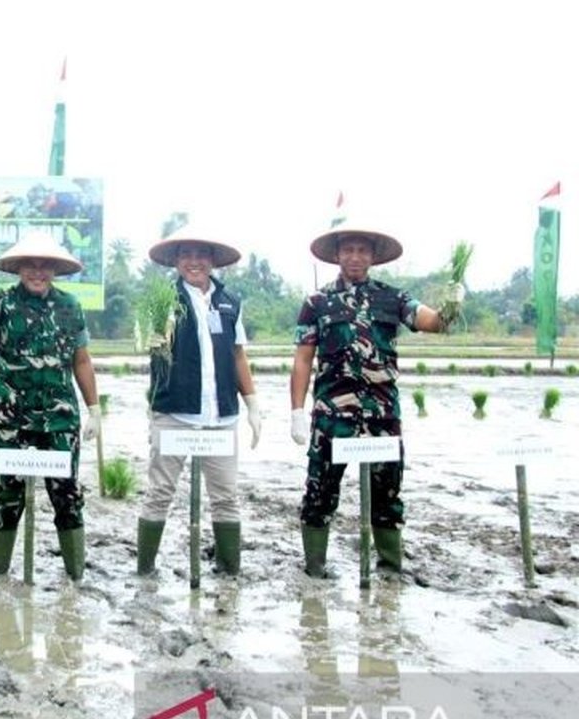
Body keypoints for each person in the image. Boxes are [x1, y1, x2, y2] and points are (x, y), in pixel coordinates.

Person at [290, 224, 463, 578]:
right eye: (348, 250)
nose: (355, 256)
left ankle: (390, 568)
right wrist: (296, 410)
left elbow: (433, 323)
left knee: (387, 495)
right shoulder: (316, 303)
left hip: (382, 415)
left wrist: (451, 305)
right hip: (332, 415)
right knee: (319, 492)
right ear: (337, 255)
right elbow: (303, 358)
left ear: (372, 257)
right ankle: (314, 567)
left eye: (362, 250)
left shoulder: (393, 299)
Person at [0, 230, 100, 581]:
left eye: (45, 265)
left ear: (54, 269)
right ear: (18, 268)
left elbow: (81, 360)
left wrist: (94, 409)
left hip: (59, 418)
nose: (38, 271)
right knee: (8, 497)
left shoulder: (70, 306)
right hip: (12, 417)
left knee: (66, 495)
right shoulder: (1, 299)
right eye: (30, 265)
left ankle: (75, 576)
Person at [137, 229, 262, 577]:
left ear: (213, 260)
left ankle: (229, 571)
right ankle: (144, 571)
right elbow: (149, 347)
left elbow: (237, 356)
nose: (194, 261)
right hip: (174, 412)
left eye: (201, 254)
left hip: (220, 416)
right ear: (177, 261)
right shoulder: (161, 300)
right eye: (186, 254)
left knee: (225, 496)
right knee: (160, 492)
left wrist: (251, 403)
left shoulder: (229, 302)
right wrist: (156, 337)